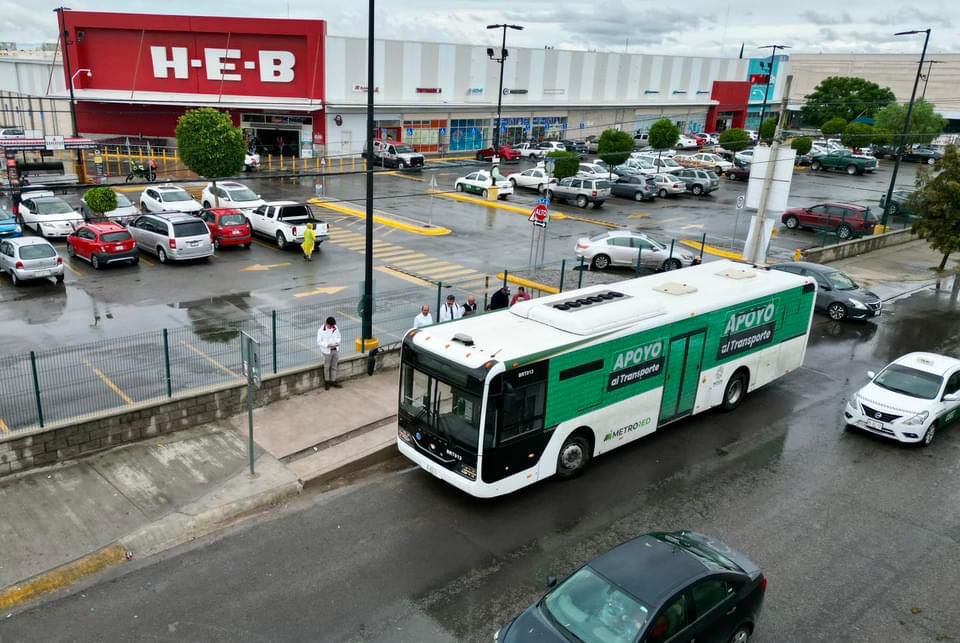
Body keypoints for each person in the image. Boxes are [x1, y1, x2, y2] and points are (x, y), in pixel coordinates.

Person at [316, 316, 341, 390]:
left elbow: (339, 336)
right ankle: (327, 382)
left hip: (335, 349)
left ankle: (333, 381)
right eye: (331, 326)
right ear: (326, 324)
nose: (332, 327)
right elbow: (319, 342)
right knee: (326, 367)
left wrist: (337, 342)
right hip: (327, 351)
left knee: (334, 366)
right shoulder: (320, 331)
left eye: (333, 326)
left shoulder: (335, 327)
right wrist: (327, 345)